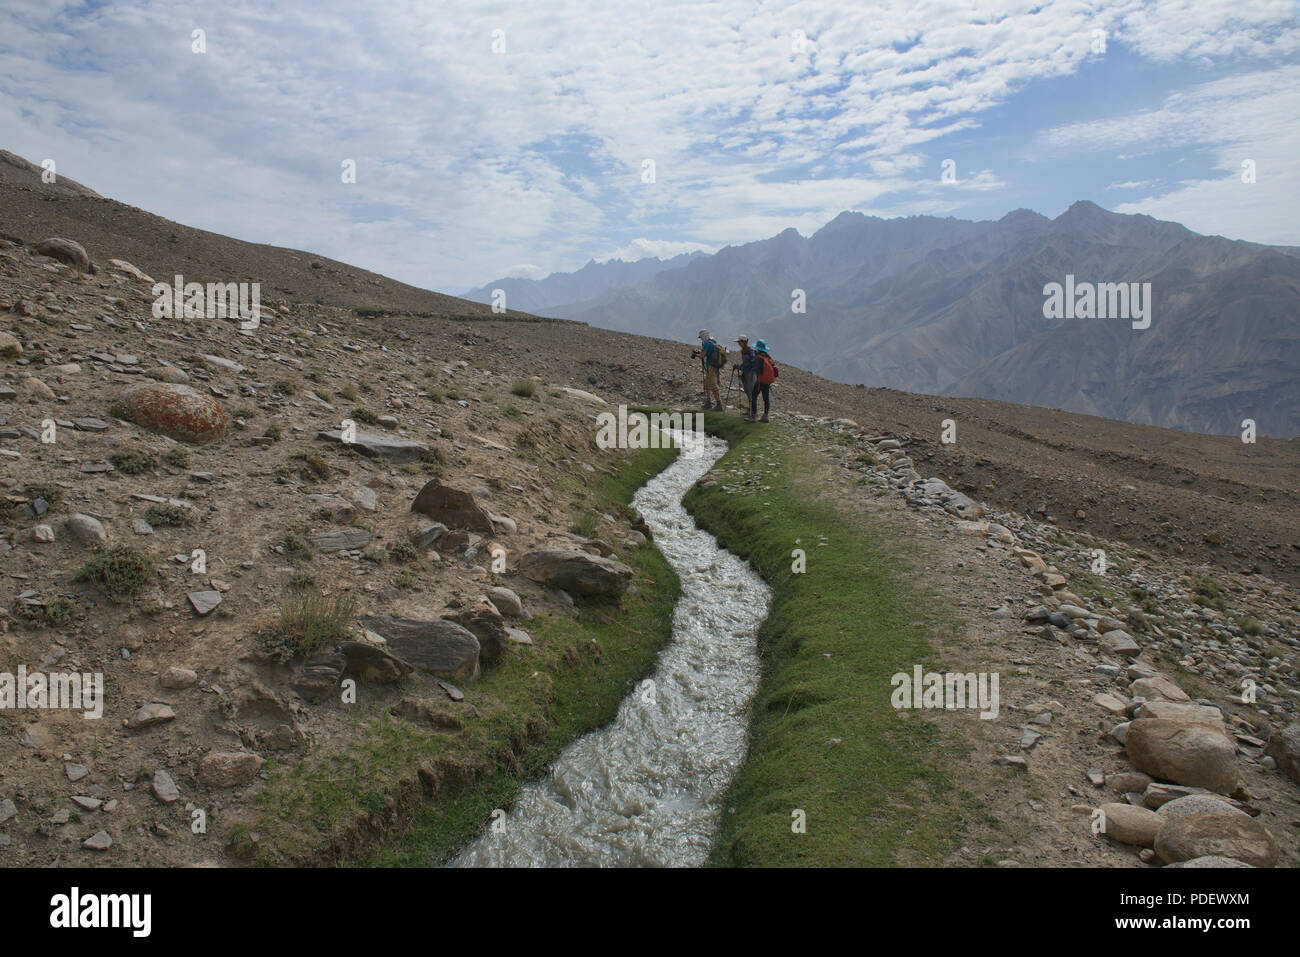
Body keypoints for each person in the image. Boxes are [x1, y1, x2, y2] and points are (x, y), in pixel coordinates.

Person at [696, 329, 723, 410]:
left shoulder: (707, 344)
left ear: (703, 336)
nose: (701, 339)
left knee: (712, 384)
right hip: (714, 365)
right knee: (707, 383)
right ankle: (708, 403)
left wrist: (695, 354)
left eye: (701, 337)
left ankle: (719, 405)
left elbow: (702, 356)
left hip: (711, 366)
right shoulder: (713, 341)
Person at [751, 338, 778, 422]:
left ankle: (753, 415)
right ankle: (765, 416)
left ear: (758, 349)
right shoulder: (767, 357)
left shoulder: (759, 358)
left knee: (754, 396)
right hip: (768, 381)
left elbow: (756, 369)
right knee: (766, 398)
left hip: (761, 381)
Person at [736, 334, 758, 419]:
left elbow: (752, 361)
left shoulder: (750, 350)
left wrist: (743, 367)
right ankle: (751, 409)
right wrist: (740, 367)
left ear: (744, 342)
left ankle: (753, 411)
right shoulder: (744, 350)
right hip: (746, 372)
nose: (738, 344)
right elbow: (746, 363)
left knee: (750, 390)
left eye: (739, 342)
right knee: (747, 390)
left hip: (751, 373)